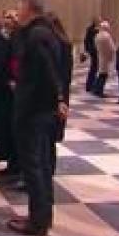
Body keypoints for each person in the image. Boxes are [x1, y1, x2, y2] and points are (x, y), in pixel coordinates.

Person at [7, 0, 66, 236]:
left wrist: (58, 98)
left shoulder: (37, 34)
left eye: (19, 8)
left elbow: (48, 72)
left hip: (34, 111)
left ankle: (38, 222)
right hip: (41, 109)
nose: (16, 12)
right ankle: (42, 217)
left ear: (30, 9)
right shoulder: (44, 31)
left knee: (34, 167)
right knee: (40, 165)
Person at [46, 12, 73, 175]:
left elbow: (63, 75)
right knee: (48, 140)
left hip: (57, 95)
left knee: (49, 139)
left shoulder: (60, 45)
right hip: (58, 94)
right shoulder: (61, 43)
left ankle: (47, 174)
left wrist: (60, 98)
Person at [0, 10, 20, 180]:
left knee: (16, 129)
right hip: (3, 88)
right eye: (6, 16)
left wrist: (14, 80)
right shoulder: (0, 37)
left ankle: (18, 165)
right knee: (5, 128)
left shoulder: (21, 38)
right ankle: (10, 163)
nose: (8, 20)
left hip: (16, 89)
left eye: (12, 16)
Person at [93, 21, 116, 98]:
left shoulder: (97, 35)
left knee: (100, 73)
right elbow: (112, 48)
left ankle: (96, 89)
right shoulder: (107, 36)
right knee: (103, 74)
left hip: (100, 55)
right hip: (106, 57)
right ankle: (99, 90)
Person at [83, 18, 100, 92]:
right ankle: (90, 85)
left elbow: (86, 41)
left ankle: (90, 85)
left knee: (94, 68)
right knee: (94, 68)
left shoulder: (90, 30)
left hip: (92, 50)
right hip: (94, 51)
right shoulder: (94, 31)